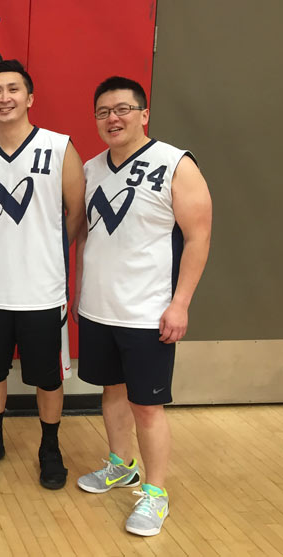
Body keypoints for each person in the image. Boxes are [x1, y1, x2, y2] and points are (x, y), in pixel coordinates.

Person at [74, 76, 212, 536]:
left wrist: (181, 305)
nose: (113, 119)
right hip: (98, 308)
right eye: (103, 112)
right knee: (111, 392)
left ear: (144, 113)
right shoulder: (92, 168)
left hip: (148, 311)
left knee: (147, 407)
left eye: (123, 109)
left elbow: (198, 237)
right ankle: (121, 465)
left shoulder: (175, 162)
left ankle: (155, 494)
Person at [0, 60, 86, 488]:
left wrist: (45, 251)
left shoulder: (59, 147)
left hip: (43, 290)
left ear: (29, 98)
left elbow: (75, 215)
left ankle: (49, 448)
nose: (5, 97)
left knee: (47, 377)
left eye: (13, 89)